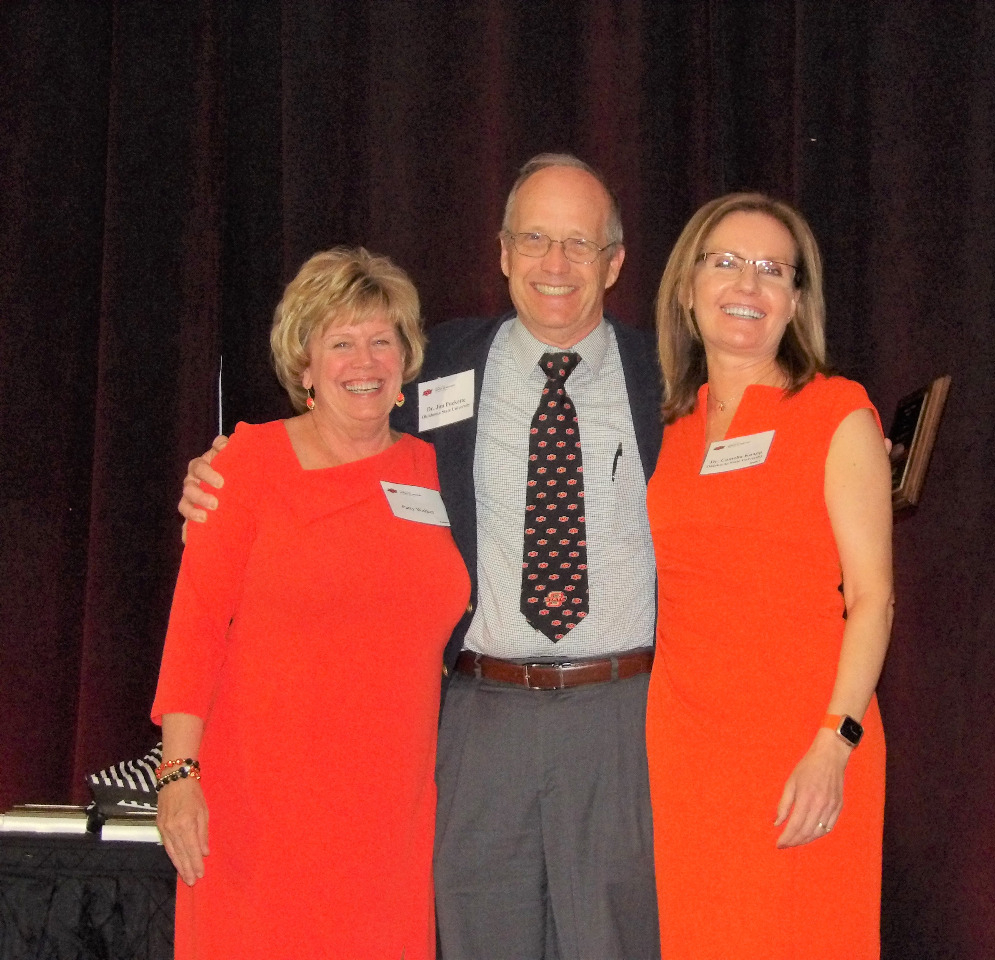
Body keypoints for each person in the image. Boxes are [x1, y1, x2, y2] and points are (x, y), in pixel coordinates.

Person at [179, 156, 663, 960]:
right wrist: (219, 473)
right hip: (480, 717)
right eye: (535, 239)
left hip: (617, 714)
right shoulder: (439, 362)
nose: (555, 265)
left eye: (579, 245)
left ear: (614, 263)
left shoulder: (667, 375)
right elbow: (341, 429)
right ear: (502, 252)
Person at [155, 247, 470, 960]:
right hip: (260, 814)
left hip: (393, 817)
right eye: (341, 342)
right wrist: (178, 775)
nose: (364, 360)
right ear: (305, 366)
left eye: (381, 340)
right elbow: (196, 626)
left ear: (405, 360)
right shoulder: (246, 464)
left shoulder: (430, 467)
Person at [644, 194, 893, 958]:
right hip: (688, 756)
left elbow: (873, 597)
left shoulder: (836, 411)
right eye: (725, 263)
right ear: (687, 289)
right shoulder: (671, 430)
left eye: (770, 270)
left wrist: (835, 741)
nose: (746, 286)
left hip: (805, 748)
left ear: (795, 301)